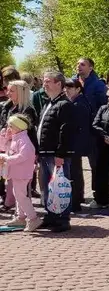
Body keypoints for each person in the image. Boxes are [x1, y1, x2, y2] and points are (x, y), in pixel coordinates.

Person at [36, 70, 74, 232]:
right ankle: (51, 215)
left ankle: (63, 219)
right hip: (45, 153)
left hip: (55, 154)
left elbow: (66, 131)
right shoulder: (48, 103)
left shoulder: (64, 105)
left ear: (59, 84)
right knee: (46, 187)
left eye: (48, 81)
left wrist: (60, 154)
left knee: (60, 187)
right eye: (44, 81)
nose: (44, 84)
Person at [0, 80, 39, 210]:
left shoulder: (27, 110)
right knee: (11, 181)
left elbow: (26, 131)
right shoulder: (8, 107)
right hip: (10, 147)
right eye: (8, 90)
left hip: (22, 149)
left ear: (21, 93)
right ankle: (14, 207)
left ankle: (24, 212)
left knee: (21, 184)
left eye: (12, 91)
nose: (8, 93)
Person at [0, 114, 41, 231]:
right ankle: (20, 217)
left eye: (11, 126)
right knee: (17, 194)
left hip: (22, 173)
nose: (8, 128)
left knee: (21, 196)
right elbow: (4, 147)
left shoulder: (24, 140)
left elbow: (23, 156)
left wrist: (6, 159)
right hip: (17, 173)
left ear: (18, 127)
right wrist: (5, 137)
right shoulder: (15, 138)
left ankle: (33, 218)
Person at [61, 78, 91, 214]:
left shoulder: (79, 104)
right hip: (74, 143)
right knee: (75, 171)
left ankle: (76, 201)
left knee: (74, 172)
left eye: (70, 87)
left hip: (75, 144)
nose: (67, 90)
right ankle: (77, 199)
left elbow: (80, 127)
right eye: (65, 87)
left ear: (78, 89)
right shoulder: (74, 102)